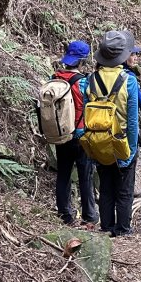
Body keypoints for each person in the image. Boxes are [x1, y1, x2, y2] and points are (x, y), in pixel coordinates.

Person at [86, 30, 141, 237]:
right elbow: (132, 119)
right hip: (122, 141)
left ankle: (107, 226)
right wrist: (132, 149)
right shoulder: (129, 80)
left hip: (99, 140)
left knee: (106, 186)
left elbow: (86, 113)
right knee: (125, 189)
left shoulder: (91, 79)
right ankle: (123, 229)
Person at [53, 40, 98, 227]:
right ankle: (89, 215)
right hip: (80, 135)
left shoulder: (55, 78)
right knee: (85, 175)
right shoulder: (83, 82)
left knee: (63, 174)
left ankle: (65, 214)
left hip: (61, 134)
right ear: (82, 61)